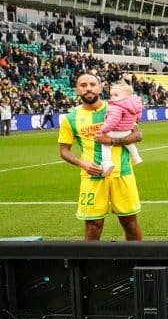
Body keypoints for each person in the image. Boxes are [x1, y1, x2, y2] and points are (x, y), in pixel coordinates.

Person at [58, 72, 143, 240]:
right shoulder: (70, 119)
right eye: (83, 85)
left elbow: (137, 135)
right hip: (92, 177)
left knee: (130, 223)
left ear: (100, 87)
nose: (88, 89)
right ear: (76, 90)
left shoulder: (116, 106)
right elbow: (64, 151)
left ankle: (136, 263)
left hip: (122, 173)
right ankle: (90, 266)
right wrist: (83, 164)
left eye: (92, 84)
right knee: (93, 226)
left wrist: (110, 140)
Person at [98, 82, 144, 176]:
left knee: (105, 145)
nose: (113, 97)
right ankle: (136, 157)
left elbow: (112, 121)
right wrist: (135, 121)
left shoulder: (116, 106)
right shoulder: (134, 105)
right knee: (129, 143)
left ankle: (107, 163)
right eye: (111, 95)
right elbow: (138, 115)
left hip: (116, 131)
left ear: (126, 96)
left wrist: (103, 130)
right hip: (127, 130)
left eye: (116, 95)